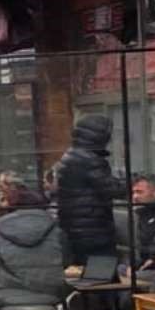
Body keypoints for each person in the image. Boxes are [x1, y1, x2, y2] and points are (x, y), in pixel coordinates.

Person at [0, 183, 72, 306]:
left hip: (8, 292)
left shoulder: (0, 229)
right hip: (51, 292)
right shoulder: (55, 229)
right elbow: (66, 260)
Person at [54, 112, 118, 262]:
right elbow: (112, 189)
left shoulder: (70, 155)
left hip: (74, 227)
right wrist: (131, 181)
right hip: (93, 229)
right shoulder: (90, 160)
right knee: (102, 268)